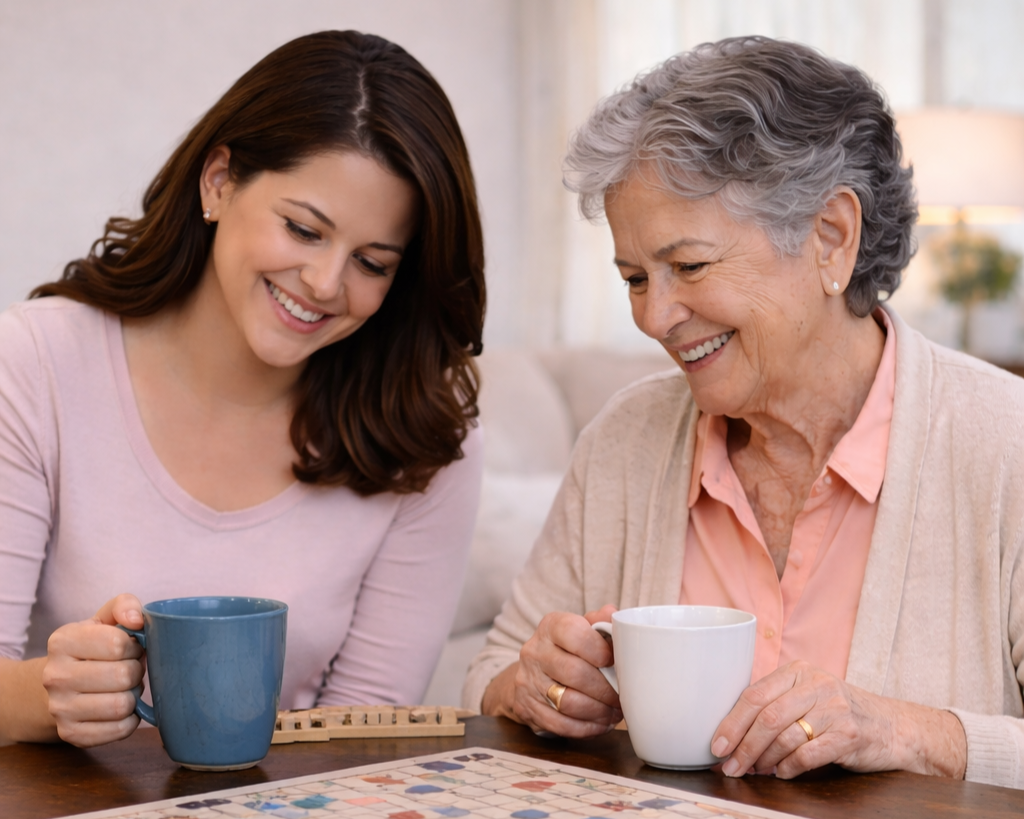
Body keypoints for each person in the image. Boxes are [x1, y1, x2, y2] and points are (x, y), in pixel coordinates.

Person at [466, 36, 1024, 789]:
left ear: (831, 237)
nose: (656, 316)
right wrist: (532, 686)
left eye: (689, 266)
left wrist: (906, 730)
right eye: (634, 277)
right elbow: (490, 672)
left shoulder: (1003, 444)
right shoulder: (625, 441)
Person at [0, 30, 486, 749]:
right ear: (219, 181)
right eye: (302, 228)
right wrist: (54, 693)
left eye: (373, 262)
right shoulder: (35, 360)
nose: (324, 284)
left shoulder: (423, 432)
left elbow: (356, 737)